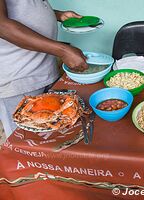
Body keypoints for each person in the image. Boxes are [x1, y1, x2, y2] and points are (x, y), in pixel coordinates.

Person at [0, 0, 89, 137]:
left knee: (55, 133)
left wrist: (58, 15)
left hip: (43, 70)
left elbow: (22, 9)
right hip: (20, 78)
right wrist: (63, 50)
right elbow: (2, 25)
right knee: (28, 142)